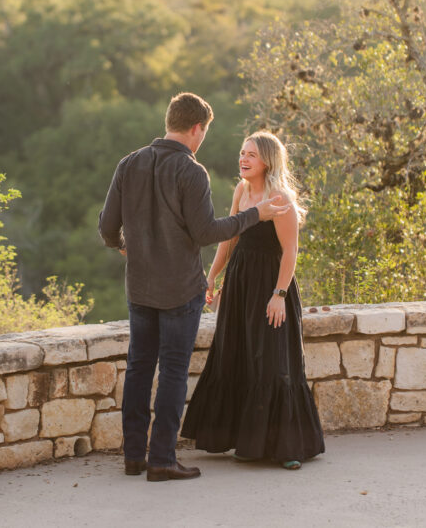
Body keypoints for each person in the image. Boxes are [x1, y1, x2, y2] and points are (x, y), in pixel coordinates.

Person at [99, 93, 289, 482]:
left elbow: (106, 228)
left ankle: (134, 455)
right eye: (205, 132)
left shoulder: (129, 163)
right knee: (171, 371)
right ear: (197, 128)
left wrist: (124, 246)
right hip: (180, 291)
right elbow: (205, 232)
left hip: (139, 288)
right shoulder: (191, 171)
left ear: (170, 120)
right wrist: (256, 214)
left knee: (138, 368)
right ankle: (162, 460)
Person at [181, 131, 325, 470]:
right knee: (238, 355)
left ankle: (287, 448)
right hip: (240, 285)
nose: (243, 160)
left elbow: (290, 251)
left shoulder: (281, 198)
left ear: (268, 162)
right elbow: (229, 238)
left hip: (270, 287)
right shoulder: (242, 190)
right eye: (242, 153)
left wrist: (279, 295)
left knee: (273, 360)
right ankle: (245, 442)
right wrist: (212, 275)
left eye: (252, 156)